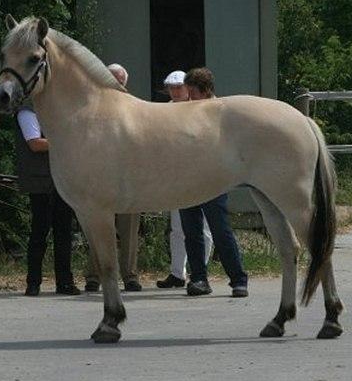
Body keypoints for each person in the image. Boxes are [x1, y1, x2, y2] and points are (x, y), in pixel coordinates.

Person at [178, 67, 249, 297]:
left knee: (220, 231)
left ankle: (238, 279)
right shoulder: (186, 110)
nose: (189, 97)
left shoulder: (221, 112)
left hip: (213, 179)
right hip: (188, 179)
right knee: (192, 232)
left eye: (192, 92)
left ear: (206, 90)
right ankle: (199, 278)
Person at [83, 64, 142, 293]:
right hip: (100, 178)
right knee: (98, 228)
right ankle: (93, 275)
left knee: (129, 232)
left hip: (129, 179)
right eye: (110, 78)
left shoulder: (134, 106)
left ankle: (130, 276)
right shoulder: (92, 108)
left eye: (118, 80)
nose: (114, 82)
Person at [156, 70, 214, 289]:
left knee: (203, 227)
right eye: (171, 88)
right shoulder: (164, 111)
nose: (175, 91)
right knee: (177, 228)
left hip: (201, 174)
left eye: (179, 87)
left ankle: (199, 271)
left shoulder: (200, 108)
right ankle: (177, 273)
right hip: (176, 175)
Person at [16, 104, 81, 297]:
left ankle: (64, 282)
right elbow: (35, 143)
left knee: (64, 232)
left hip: (60, 179)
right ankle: (33, 282)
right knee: (40, 231)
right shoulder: (27, 112)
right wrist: (67, 144)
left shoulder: (54, 111)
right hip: (40, 181)